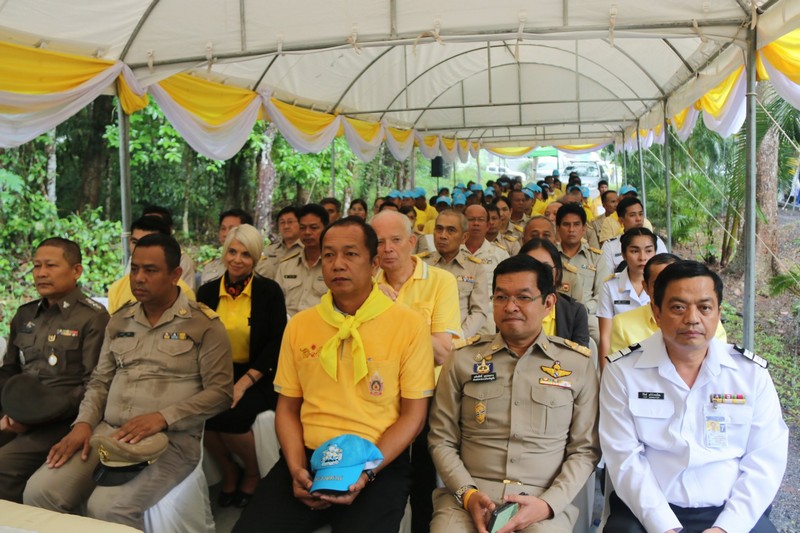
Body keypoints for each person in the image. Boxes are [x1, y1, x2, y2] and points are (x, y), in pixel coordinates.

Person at [232, 217, 434, 533]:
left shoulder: (408, 325)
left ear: (374, 263)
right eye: (328, 255)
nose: (337, 264)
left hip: (377, 461)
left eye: (350, 254)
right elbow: (287, 408)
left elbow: (413, 416)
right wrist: (296, 469)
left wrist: (365, 474)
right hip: (310, 457)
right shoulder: (301, 325)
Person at [24, 233, 233, 530]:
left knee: (107, 508)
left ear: (175, 274)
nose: (139, 278)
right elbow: (100, 381)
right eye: (135, 269)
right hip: (108, 434)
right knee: (39, 492)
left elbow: (220, 393)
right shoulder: (120, 320)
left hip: (170, 441)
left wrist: (163, 417)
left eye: (150, 270)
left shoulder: (203, 324)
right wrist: (83, 424)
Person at [600, 260, 788, 533]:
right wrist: (663, 526)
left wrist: (726, 528)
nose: (692, 318)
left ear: (718, 312)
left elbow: (765, 459)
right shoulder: (622, 372)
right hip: (648, 510)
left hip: (728, 509)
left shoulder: (750, 375)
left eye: (704, 308)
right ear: (656, 311)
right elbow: (624, 458)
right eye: (678, 307)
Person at [428, 255, 600, 533]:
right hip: (469, 498)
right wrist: (467, 494)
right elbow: (441, 439)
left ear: (548, 304)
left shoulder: (577, 365)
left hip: (541, 502)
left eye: (523, 297)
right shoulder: (462, 359)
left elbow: (584, 450)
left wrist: (548, 504)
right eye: (501, 297)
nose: (510, 307)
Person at [371, 210, 463, 533]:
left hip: (428, 395)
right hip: (377, 396)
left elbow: (443, 352)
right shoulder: (365, 286)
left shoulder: (440, 281)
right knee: (379, 487)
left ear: (412, 241)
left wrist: (391, 312)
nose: (387, 249)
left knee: (424, 485)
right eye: (379, 242)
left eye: (396, 240)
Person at [0, 238, 109, 502]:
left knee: (4, 464)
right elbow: (9, 370)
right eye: (37, 266)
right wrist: (9, 413)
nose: (41, 273)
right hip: (19, 414)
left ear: (76, 270)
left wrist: (35, 416)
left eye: (51, 265)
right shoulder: (25, 315)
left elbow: (92, 383)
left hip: (62, 420)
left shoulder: (93, 317)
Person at [196, 224, 287, 508]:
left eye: (245, 254)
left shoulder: (269, 292)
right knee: (203, 416)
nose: (237, 259)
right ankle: (229, 471)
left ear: (256, 258)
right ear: (224, 253)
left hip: (260, 374)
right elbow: (199, 339)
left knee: (232, 418)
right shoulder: (207, 292)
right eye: (232, 252)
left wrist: (244, 383)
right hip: (218, 373)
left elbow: (276, 344)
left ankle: (252, 472)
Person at [610, 254, 727, 352]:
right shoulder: (623, 324)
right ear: (646, 287)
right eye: (659, 284)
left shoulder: (708, 322)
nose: (692, 319)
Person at [419, 210, 490, 338]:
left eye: (451, 230)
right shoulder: (420, 264)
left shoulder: (474, 268)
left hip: (459, 340)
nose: (443, 235)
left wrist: (459, 337)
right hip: (422, 338)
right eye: (439, 229)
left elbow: (479, 311)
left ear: (464, 237)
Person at [107, 216, 195, 314]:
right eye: (135, 242)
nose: (139, 278)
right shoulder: (117, 289)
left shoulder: (184, 292)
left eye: (150, 270)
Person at [597, 228, 657, 369]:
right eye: (635, 251)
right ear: (623, 254)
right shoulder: (610, 286)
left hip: (656, 355)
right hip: (622, 358)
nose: (643, 257)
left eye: (648, 251)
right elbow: (605, 336)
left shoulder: (665, 284)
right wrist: (605, 373)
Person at [519, 239, 590, 348]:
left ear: (558, 273)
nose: (539, 275)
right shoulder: (511, 308)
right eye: (531, 268)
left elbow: (579, 357)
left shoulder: (575, 313)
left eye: (546, 268)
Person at [274, 204, 329, 316]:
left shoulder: (334, 266)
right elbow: (275, 301)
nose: (307, 232)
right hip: (288, 324)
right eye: (302, 228)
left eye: (314, 228)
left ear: (326, 229)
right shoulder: (286, 265)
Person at [596, 197, 666, 284]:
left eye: (640, 214)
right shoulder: (610, 246)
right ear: (621, 220)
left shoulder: (656, 241)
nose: (638, 219)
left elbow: (665, 270)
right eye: (632, 215)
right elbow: (606, 279)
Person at [141, 205, 197, 290]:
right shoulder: (136, 257)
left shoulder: (182, 261)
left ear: (169, 230)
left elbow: (186, 295)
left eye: (156, 225)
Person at [463, 204, 510, 298]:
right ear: (463, 224)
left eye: (481, 220)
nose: (476, 223)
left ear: (487, 225)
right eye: (471, 219)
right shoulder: (453, 252)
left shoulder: (500, 254)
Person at [201, 208, 253, 284]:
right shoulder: (210, 267)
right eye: (223, 229)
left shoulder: (260, 267)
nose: (225, 234)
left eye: (232, 229)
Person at [255, 206, 303, 280]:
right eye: (282, 222)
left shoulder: (307, 250)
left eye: (290, 222)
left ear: (301, 224)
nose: (286, 226)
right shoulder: (269, 250)